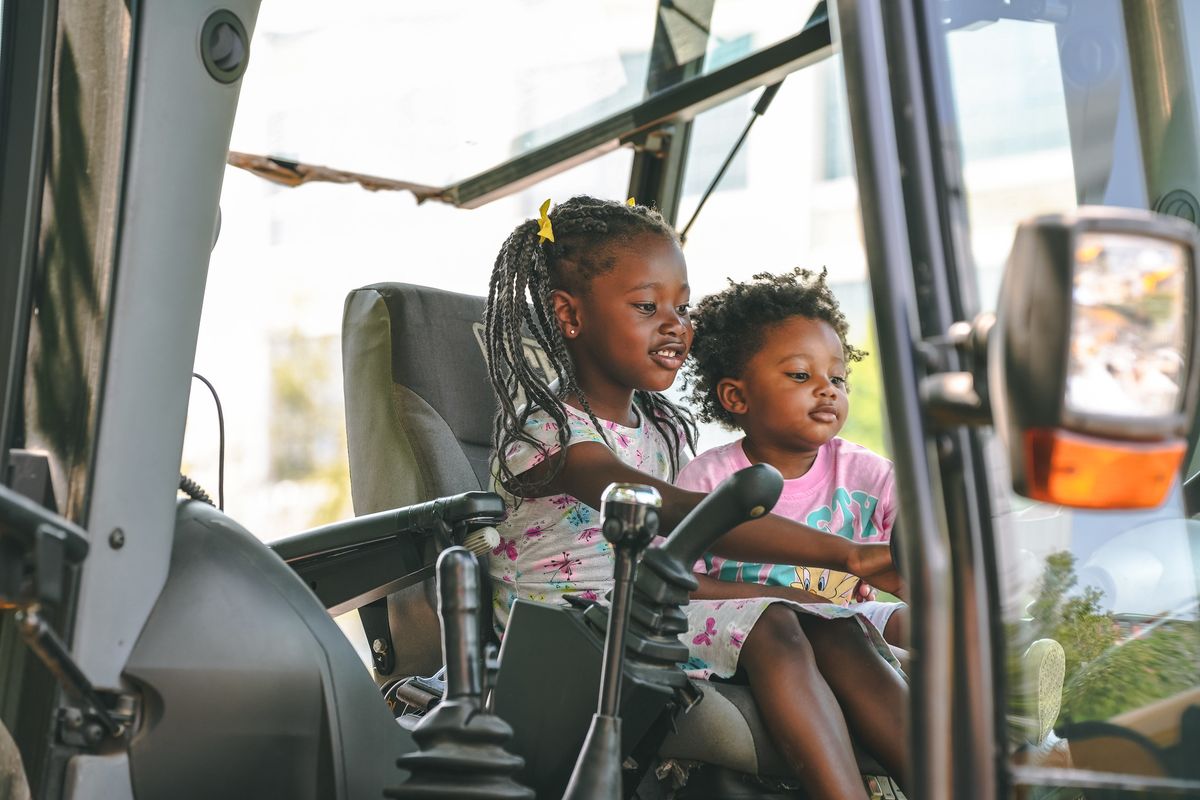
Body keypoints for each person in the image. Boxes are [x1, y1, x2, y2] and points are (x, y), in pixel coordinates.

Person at [484, 196, 908, 798]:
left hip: (652, 610)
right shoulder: (546, 429)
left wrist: (789, 587)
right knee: (776, 627)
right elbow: (673, 513)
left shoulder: (660, 427)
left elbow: (685, 559)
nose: (676, 323)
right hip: (570, 638)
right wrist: (845, 555)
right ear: (569, 315)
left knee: (833, 623)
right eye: (646, 306)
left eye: (681, 306)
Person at [676, 268, 909, 650]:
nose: (828, 391)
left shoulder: (871, 474)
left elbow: (917, 550)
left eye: (837, 379)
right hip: (749, 628)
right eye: (801, 375)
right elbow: (679, 581)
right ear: (736, 397)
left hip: (845, 618)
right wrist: (785, 601)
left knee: (922, 626)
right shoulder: (708, 479)